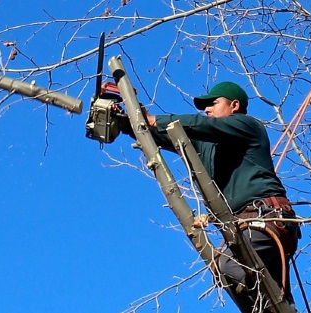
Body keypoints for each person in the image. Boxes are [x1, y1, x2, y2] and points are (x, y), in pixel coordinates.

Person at [119, 81, 300, 311]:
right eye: (205, 107)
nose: (207, 110)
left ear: (234, 105)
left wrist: (155, 119)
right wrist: (127, 122)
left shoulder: (247, 126)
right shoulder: (206, 144)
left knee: (227, 267)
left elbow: (198, 125)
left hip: (266, 219)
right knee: (271, 302)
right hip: (246, 228)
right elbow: (164, 135)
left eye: (213, 103)